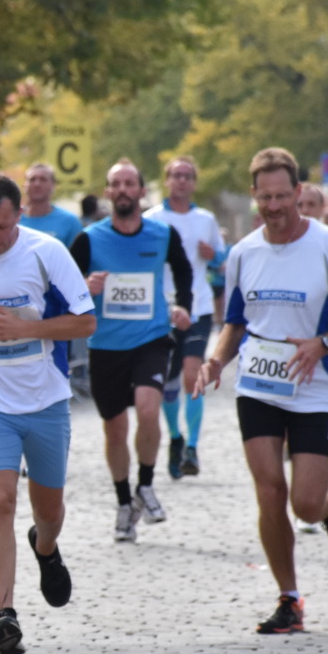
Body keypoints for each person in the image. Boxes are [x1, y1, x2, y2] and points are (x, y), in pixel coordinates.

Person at [191, 148, 328, 635]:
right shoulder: (244, 253)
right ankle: (289, 599)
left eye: (282, 196)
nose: (274, 205)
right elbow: (235, 324)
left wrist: (322, 344)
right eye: (265, 197)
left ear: (297, 193)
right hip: (259, 386)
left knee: (304, 504)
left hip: (315, 388)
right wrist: (215, 360)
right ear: (254, 196)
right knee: (269, 490)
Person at [0, 174, 95, 654]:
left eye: (3, 226)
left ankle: (46, 547)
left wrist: (26, 326)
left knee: (48, 511)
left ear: (18, 216)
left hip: (46, 400)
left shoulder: (47, 251)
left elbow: (86, 321)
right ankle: (5, 614)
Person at [70, 160, 192, 539]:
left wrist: (184, 304)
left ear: (142, 191)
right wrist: (85, 287)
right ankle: (125, 502)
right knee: (115, 429)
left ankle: (147, 484)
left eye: (129, 183)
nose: (122, 190)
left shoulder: (162, 233)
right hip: (106, 346)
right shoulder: (90, 238)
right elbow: (66, 284)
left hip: (152, 338)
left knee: (148, 408)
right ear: (108, 193)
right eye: (115, 184)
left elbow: (184, 269)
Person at [145, 155, 227, 480]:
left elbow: (222, 258)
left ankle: (192, 447)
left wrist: (214, 255)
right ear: (166, 180)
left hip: (199, 307)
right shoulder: (153, 219)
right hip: (163, 310)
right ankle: (175, 439)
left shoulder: (205, 219)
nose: (181, 180)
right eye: (176, 175)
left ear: (194, 182)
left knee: (193, 376)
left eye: (187, 176)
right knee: (168, 382)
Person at [18, 162, 84, 248]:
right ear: (24, 186)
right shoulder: (13, 220)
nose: (37, 184)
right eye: (32, 179)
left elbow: (77, 259)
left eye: (43, 179)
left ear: (53, 185)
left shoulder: (70, 222)